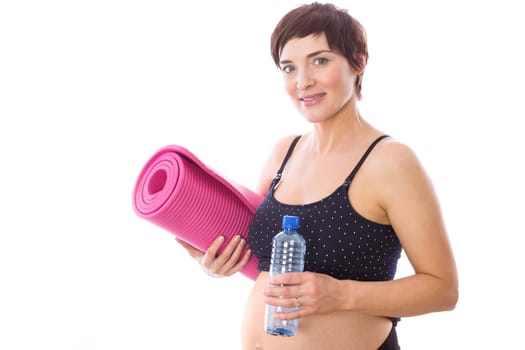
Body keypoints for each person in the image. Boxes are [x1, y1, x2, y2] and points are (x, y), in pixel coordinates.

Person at [175, 2, 458, 349]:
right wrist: (217, 262)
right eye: (289, 67)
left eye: (320, 60)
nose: (303, 81)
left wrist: (340, 294)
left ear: (358, 61)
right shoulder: (283, 153)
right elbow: (266, 265)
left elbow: (443, 289)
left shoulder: (390, 162)